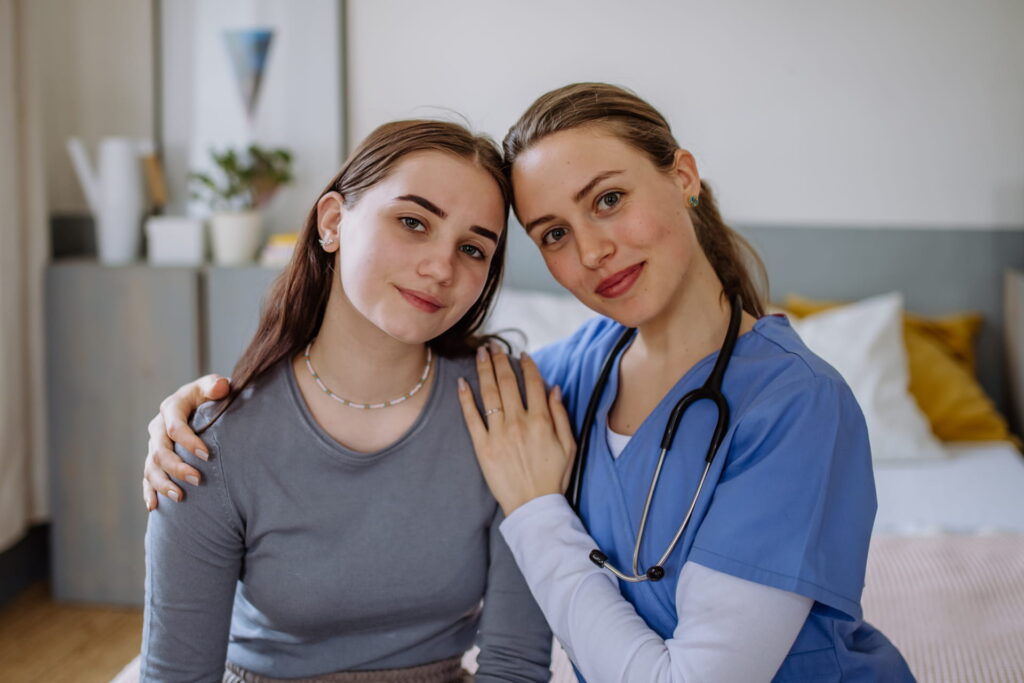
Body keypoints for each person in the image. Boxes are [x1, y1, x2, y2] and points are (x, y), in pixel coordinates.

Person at [145, 84, 914, 682]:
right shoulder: (562, 381)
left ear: (683, 176)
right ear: (332, 220)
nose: (594, 252)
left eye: (608, 199)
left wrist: (540, 511)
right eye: (553, 233)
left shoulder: (795, 404)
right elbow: (400, 403)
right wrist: (198, 416)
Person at [138, 120, 552, 682]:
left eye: (473, 248)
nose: (441, 268)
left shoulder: (507, 414)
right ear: (333, 222)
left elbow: (515, 666)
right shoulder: (211, 441)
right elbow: (176, 676)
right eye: (413, 222)